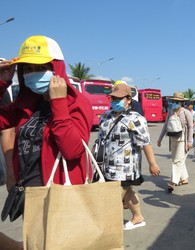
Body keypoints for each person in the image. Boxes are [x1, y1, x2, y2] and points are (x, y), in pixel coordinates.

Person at [0, 36, 93, 194]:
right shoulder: (26, 104)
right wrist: (1, 83)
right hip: (29, 192)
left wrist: (58, 103)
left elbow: (72, 151)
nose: (33, 74)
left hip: (61, 196)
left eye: (40, 68)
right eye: (27, 69)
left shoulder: (76, 103)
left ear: (56, 69)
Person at [98, 83, 160, 230]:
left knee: (114, 198)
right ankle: (138, 217)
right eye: (112, 98)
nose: (115, 101)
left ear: (128, 100)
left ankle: (108, 229)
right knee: (128, 193)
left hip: (126, 166)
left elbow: (145, 142)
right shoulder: (106, 116)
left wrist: (152, 163)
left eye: (118, 98)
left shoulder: (135, 118)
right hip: (107, 165)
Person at [157, 92, 193, 192]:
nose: (174, 103)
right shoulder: (170, 112)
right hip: (172, 139)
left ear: (181, 102)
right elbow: (165, 126)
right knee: (178, 159)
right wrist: (160, 138)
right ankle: (184, 178)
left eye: (177, 101)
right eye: (173, 101)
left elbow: (190, 127)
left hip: (183, 140)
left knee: (177, 160)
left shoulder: (186, 113)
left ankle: (172, 182)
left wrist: (190, 141)